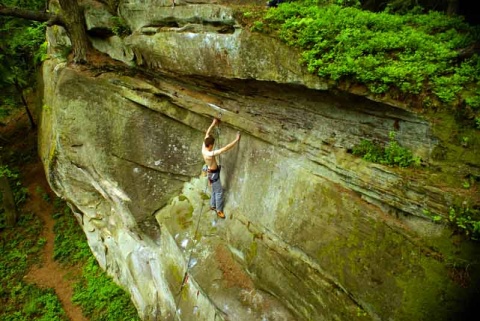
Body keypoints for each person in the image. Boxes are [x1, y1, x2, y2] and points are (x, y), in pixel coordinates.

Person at [202, 118, 241, 219]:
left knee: (215, 189)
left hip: (211, 172)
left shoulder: (204, 146)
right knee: (219, 191)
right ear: (210, 145)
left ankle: (213, 205)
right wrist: (236, 140)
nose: (213, 146)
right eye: (212, 145)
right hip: (213, 173)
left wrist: (213, 123)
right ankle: (219, 210)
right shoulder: (210, 154)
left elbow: (207, 132)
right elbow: (225, 148)